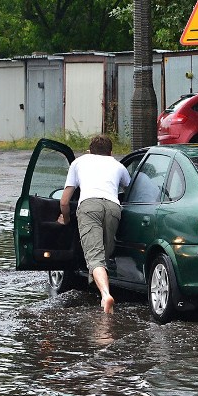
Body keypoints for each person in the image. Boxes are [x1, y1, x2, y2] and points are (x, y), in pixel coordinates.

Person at [57, 134, 130, 314]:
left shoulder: (79, 163)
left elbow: (65, 201)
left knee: (95, 257)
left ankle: (106, 295)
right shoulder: (118, 166)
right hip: (113, 207)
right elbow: (129, 189)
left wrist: (65, 218)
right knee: (105, 254)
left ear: (89, 151)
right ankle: (99, 291)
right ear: (111, 152)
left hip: (89, 206)